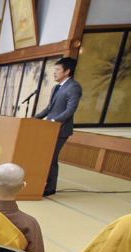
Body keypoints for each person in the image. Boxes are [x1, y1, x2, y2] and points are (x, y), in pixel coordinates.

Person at [35, 56, 82, 196]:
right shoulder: (57, 87)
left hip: (60, 130)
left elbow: (70, 110)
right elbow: (49, 108)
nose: (54, 72)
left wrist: (54, 121)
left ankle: (50, 188)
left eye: (57, 70)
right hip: (49, 128)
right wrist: (33, 119)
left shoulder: (74, 87)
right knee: (44, 157)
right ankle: (40, 183)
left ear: (67, 71)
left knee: (51, 158)